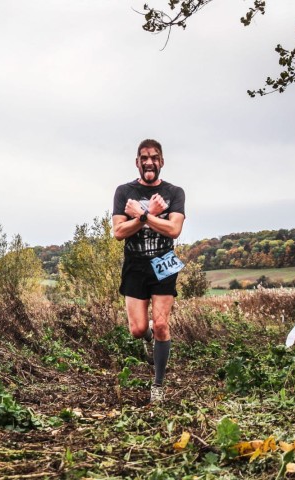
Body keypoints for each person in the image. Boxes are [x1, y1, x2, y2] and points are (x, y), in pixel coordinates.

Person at [112, 139, 185, 403]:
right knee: (137, 329)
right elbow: (118, 232)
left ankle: (158, 385)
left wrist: (142, 215)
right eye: (144, 157)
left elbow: (174, 230)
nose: (149, 161)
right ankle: (149, 333)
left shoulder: (174, 193)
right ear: (137, 162)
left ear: (162, 161)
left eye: (154, 157)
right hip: (135, 265)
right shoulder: (123, 191)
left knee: (163, 324)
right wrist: (149, 215)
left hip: (164, 262)